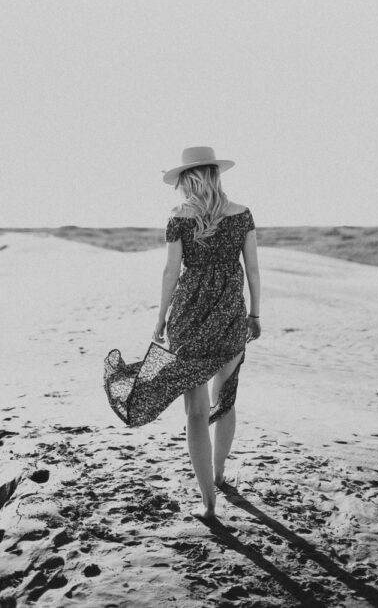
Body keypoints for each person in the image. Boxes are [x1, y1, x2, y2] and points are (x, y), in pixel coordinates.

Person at [103, 145, 261, 520]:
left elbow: (171, 272)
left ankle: (208, 502)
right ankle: (220, 473)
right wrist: (255, 312)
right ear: (214, 175)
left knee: (195, 411)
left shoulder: (178, 217)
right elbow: (253, 269)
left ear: (189, 179)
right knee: (226, 397)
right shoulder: (242, 214)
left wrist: (161, 316)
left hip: (188, 315)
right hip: (230, 313)